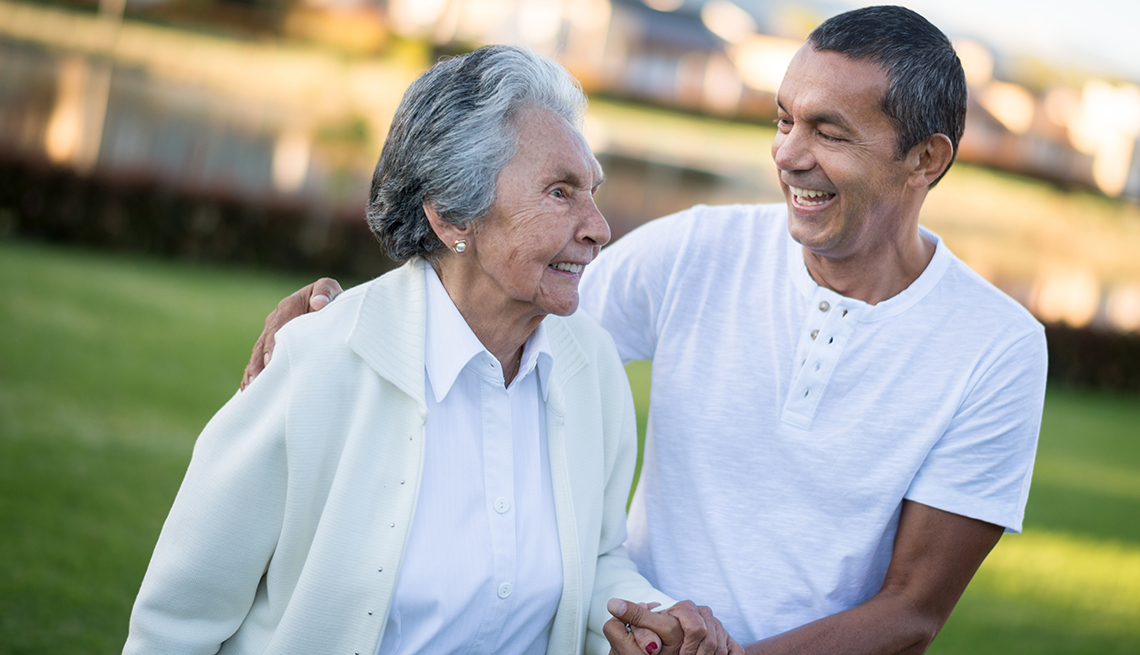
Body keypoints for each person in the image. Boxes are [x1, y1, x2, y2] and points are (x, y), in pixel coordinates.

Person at [243, 6, 1048, 655]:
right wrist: (340, 318)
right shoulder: (700, 246)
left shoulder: (997, 346)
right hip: (635, 638)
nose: (788, 155)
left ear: (925, 159)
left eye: (829, 132)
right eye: (782, 120)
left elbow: (912, 610)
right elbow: (500, 311)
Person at [125, 45, 740, 655]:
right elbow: (176, 626)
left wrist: (648, 620)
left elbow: (595, 556)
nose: (598, 227)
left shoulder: (592, 368)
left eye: (593, 191)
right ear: (452, 217)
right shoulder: (318, 362)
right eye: (560, 192)